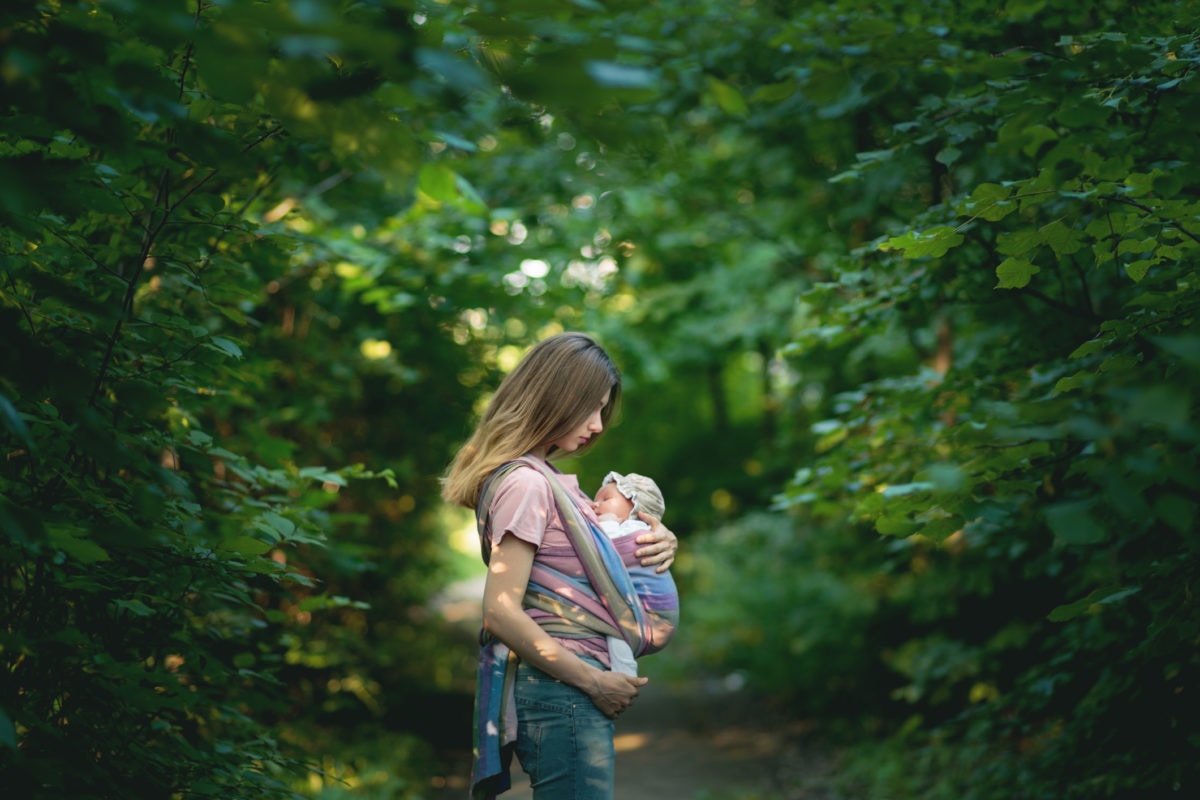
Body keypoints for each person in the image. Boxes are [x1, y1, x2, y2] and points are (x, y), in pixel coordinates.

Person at [441, 331, 680, 800]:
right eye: (590, 407)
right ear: (555, 397)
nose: (597, 424)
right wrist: (596, 683)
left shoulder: (544, 479)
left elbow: (597, 554)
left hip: (564, 690)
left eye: (603, 411)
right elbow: (500, 611)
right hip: (565, 688)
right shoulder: (527, 484)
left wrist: (659, 539)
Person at [591, 471, 668, 678]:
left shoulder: (635, 530)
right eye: (595, 499)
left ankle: (625, 674)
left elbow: (611, 551)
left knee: (619, 628)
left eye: (606, 499)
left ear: (636, 507)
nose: (595, 505)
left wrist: (607, 524)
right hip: (640, 611)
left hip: (652, 613)